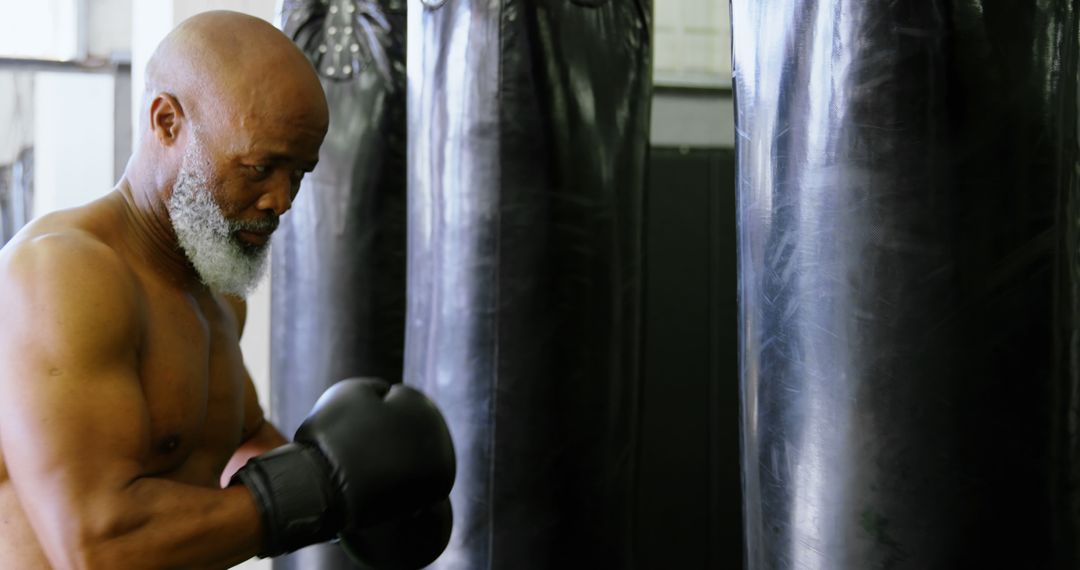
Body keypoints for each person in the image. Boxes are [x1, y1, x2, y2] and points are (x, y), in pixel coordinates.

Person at [0, 10, 454, 570]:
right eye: (260, 167)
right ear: (167, 122)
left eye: (299, 173)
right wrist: (319, 491)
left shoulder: (215, 293)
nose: (281, 201)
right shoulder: (63, 276)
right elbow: (100, 544)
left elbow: (232, 439)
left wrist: (366, 485)